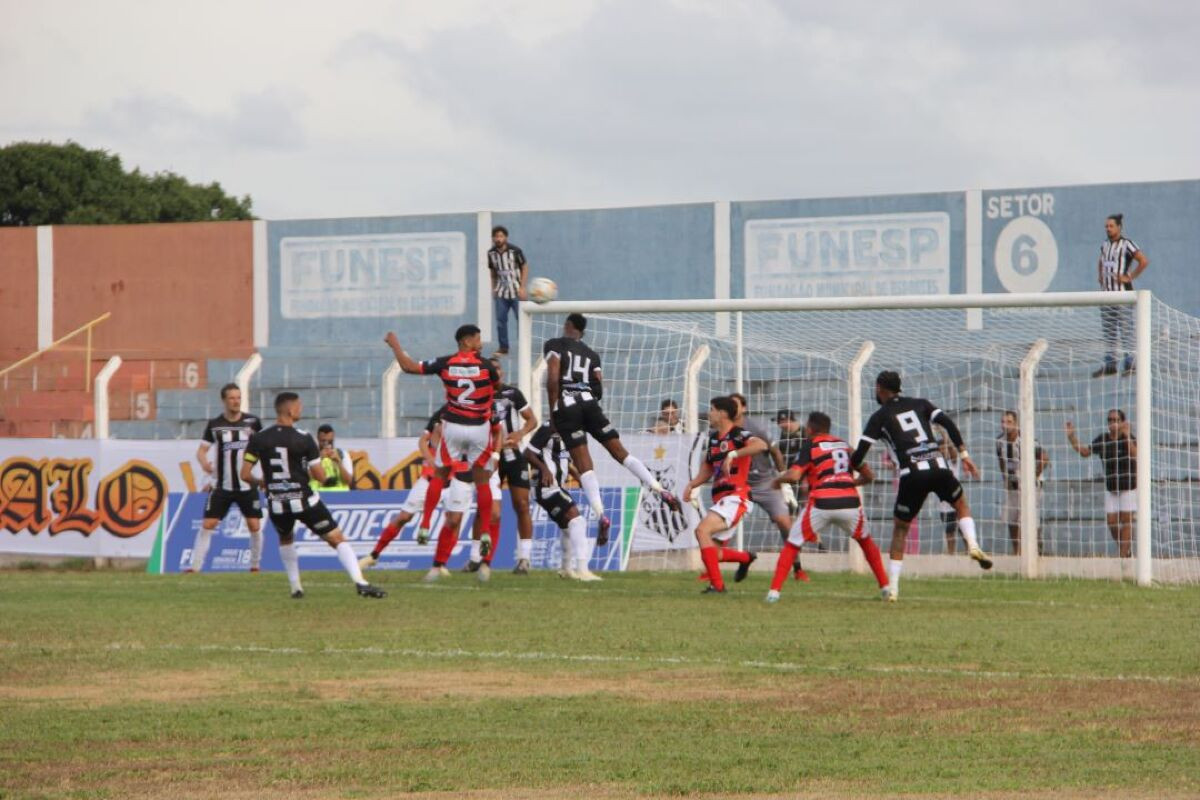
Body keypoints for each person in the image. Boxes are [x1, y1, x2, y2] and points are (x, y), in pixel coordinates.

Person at [849, 371, 993, 602]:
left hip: (911, 474)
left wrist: (856, 467)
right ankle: (973, 545)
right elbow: (947, 423)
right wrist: (964, 455)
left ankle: (893, 588)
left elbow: (859, 455)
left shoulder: (879, 416)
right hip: (938, 466)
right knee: (961, 504)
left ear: (879, 389)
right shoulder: (920, 403)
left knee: (900, 529)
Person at [544, 313, 682, 540]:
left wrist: (554, 412)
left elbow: (552, 378)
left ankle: (601, 515)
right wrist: (581, 388)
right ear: (583, 331)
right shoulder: (592, 355)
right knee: (621, 453)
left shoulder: (554, 345)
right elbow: (598, 389)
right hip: (590, 405)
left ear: (568, 326)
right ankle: (659, 489)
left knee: (584, 464)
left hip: (567, 409)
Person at [240, 392, 385, 599]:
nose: (301, 409)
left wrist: (262, 482)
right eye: (299, 406)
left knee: (286, 538)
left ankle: (296, 588)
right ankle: (361, 582)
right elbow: (321, 477)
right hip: (304, 500)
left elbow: (244, 474)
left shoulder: (259, 438)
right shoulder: (304, 438)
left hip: (277, 502)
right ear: (290, 410)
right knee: (337, 538)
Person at [384, 325, 500, 582]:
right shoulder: (487, 367)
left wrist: (395, 345)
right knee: (483, 480)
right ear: (466, 341)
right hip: (480, 428)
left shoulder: (445, 363)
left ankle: (425, 523)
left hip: (454, 426)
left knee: (440, 473)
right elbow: (496, 387)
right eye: (478, 339)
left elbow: (409, 367)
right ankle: (485, 535)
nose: (481, 343)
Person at [770, 411, 888, 602]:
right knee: (866, 542)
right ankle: (885, 586)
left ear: (809, 429)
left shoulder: (811, 445)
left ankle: (774, 592)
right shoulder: (845, 445)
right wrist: (850, 484)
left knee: (792, 543)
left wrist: (777, 481)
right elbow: (869, 476)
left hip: (822, 503)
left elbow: (794, 476)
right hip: (850, 503)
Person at [681, 396, 766, 594]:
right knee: (714, 553)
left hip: (736, 497)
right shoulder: (713, 438)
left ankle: (717, 586)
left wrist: (733, 454)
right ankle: (746, 558)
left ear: (722, 413)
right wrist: (692, 484)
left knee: (702, 531)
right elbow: (708, 468)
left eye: (712, 409)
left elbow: (761, 445)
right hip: (721, 499)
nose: (709, 413)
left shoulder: (738, 434)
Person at [730, 393, 815, 571]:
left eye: (736, 404)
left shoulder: (756, 427)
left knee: (785, 522)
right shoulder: (722, 430)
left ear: (744, 408)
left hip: (764, 482)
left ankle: (797, 567)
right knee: (721, 523)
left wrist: (783, 479)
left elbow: (775, 452)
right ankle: (723, 566)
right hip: (738, 484)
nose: (732, 408)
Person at [359, 405, 446, 569]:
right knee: (404, 517)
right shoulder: (441, 415)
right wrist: (433, 462)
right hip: (430, 479)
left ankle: (440, 565)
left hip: (454, 482)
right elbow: (423, 441)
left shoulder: (472, 416)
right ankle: (374, 555)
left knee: (453, 521)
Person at [190, 383, 263, 573]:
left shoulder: (253, 422)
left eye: (238, 397)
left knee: (254, 525)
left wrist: (264, 475)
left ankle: (255, 566)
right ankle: (195, 567)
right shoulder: (215, 425)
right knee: (208, 523)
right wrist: (204, 462)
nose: (236, 401)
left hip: (247, 486)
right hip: (222, 486)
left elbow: (265, 448)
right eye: (232, 398)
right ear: (224, 400)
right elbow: (201, 451)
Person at [523, 422, 601, 581]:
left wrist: (577, 476)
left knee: (567, 527)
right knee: (578, 521)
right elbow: (527, 453)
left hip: (557, 486)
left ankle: (566, 569)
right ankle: (583, 570)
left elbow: (565, 460)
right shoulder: (548, 428)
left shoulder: (572, 431)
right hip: (544, 486)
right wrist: (544, 469)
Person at [1065, 410, 1137, 558]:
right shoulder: (1103, 439)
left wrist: (1127, 435)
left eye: (1116, 420)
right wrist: (1072, 437)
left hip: (1128, 486)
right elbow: (1085, 452)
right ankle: (1126, 550)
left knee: (1126, 520)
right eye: (1110, 420)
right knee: (1111, 522)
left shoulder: (1128, 438)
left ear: (1123, 422)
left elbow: (1136, 454)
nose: (1112, 423)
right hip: (1111, 488)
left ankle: (1123, 558)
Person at [490, 358, 538, 574]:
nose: (496, 373)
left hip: (513, 454)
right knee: (488, 509)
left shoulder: (513, 394)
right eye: (492, 370)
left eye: (498, 369)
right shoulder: (478, 396)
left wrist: (520, 433)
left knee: (522, 504)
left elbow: (532, 420)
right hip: (490, 457)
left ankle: (524, 559)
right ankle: (477, 557)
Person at [1093, 213, 1149, 377]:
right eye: (1106, 226)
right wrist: (1100, 276)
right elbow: (1101, 261)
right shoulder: (1104, 245)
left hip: (1123, 294)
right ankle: (1110, 365)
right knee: (1109, 331)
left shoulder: (1127, 244)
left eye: (1111, 226)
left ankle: (1131, 364)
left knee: (1126, 331)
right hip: (1106, 295)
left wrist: (1129, 276)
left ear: (1119, 227)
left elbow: (1143, 261)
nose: (1108, 229)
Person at [995, 410, 1048, 555]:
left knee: (1028, 519)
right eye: (1003, 422)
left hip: (1031, 487)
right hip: (1012, 486)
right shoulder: (999, 441)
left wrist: (1033, 477)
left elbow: (1044, 458)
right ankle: (1017, 552)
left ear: (1017, 424)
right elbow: (1001, 461)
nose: (1005, 425)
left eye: (1009, 422)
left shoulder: (1027, 440)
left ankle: (1036, 549)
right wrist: (1005, 478)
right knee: (1011, 520)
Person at [487, 226, 528, 356]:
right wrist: (493, 287)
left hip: (516, 291)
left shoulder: (515, 251)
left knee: (521, 319)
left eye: (501, 236)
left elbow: (525, 267)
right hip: (501, 292)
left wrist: (522, 287)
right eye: (496, 236)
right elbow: (493, 271)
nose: (498, 239)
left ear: (506, 237)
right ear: (493, 238)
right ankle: (503, 347)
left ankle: (525, 346)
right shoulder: (491, 253)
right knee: (500, 321)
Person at [935, 434, 963, 554]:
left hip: (956, 501)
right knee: (949, 530)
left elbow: (952, 449)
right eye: (940, 449)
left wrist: (943, 432)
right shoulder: (937, 464)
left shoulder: (953, 462)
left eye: (944, 448)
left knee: (962, 528)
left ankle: (970, 550)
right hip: (943, 505)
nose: (943, 450)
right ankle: (951, 553)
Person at [310, 424, 353, 492]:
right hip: (317, 495)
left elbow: (348, 481)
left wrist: (338, 462)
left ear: (333, 438)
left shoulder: (342, 454)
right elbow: (304, 478)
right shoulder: (311, 454)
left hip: (340, 496)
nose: (326, 444)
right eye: (323, 441)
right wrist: (319, 459)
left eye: (330, 441)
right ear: (318, 438)